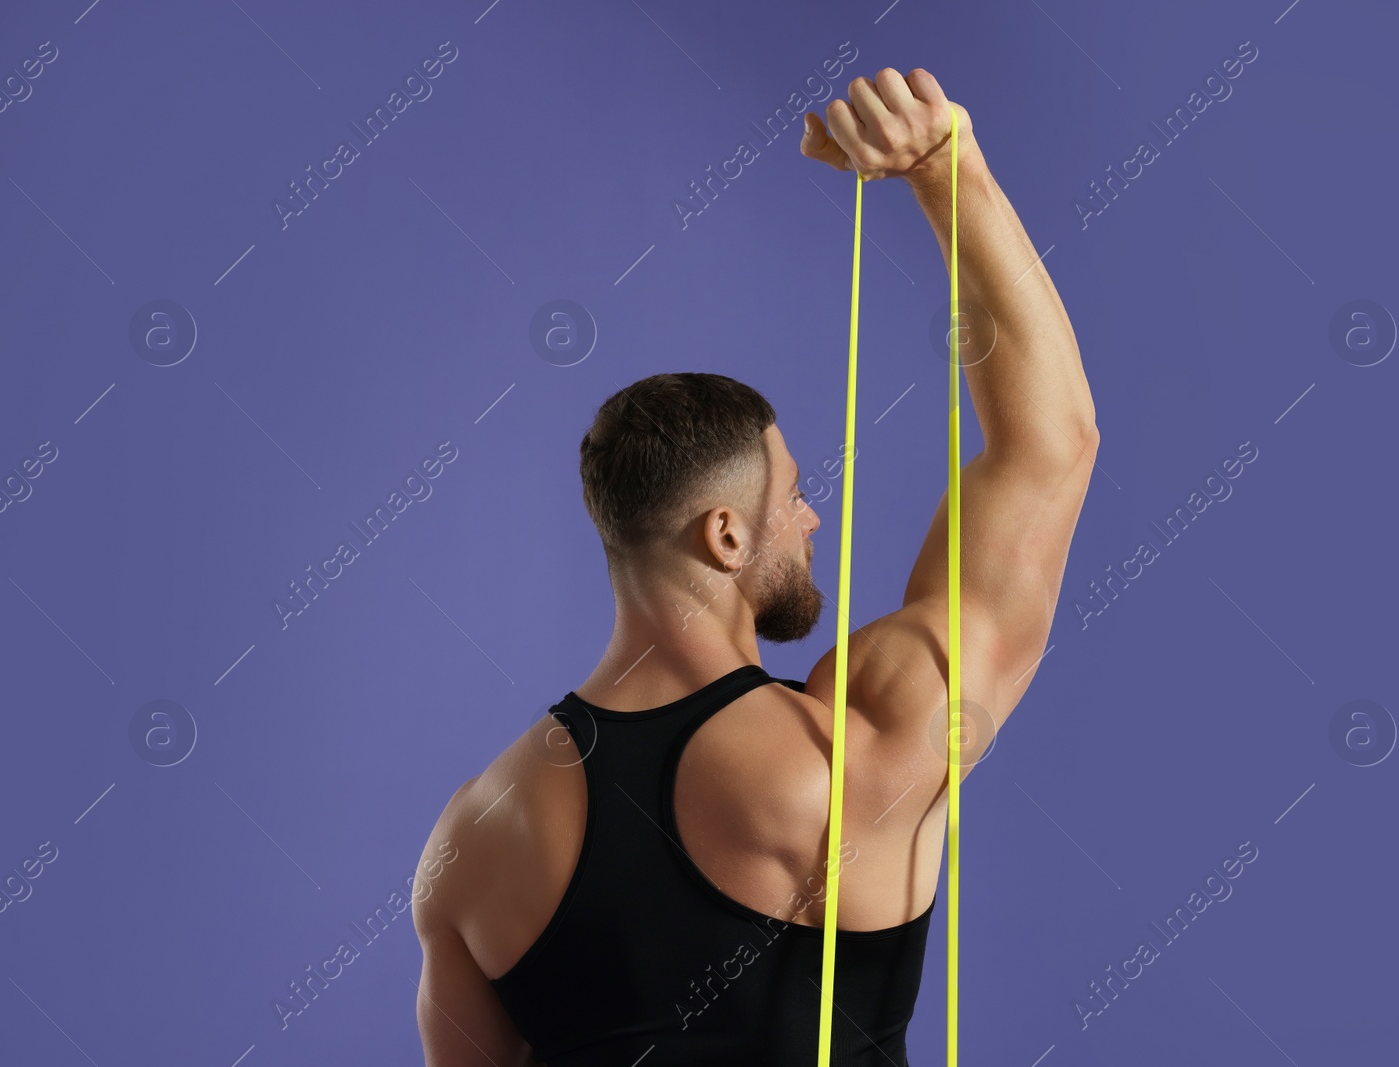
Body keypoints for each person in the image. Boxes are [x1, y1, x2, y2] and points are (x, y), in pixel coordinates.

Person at [412, 67, 1098, 1066]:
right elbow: (1051, 447)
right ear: (726, 536)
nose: (813, 516)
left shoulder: (473, 836)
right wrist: (948, 170)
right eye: (794, 493)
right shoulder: (851, 745)